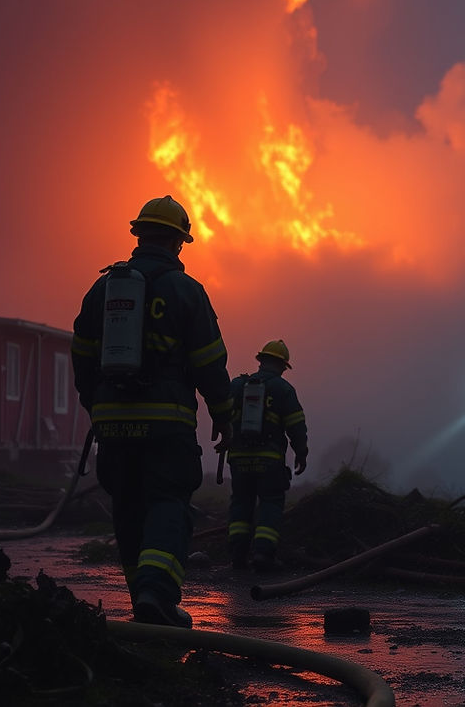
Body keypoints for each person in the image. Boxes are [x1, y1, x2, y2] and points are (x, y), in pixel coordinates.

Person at [71, 195, 233, 628]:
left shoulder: (102, 290)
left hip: (114, 425)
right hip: (167, 425)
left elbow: (82, 357)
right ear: (179, 243)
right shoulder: (186, 291)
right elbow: (209, 362)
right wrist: (224, 414)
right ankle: (155, 594)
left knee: (127, 506)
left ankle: (142, 597)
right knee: (167, 501)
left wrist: (97, 408)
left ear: (138, 235)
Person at [225, 339, 308, 571]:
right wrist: (301, 453)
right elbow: (296, 425)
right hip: (269, 460)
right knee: (271, 503)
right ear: (282, 366)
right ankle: (263, 555)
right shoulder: (284, 390)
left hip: (239, 459)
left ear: (261, 361)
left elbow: (222, 412)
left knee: (241, 502)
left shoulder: (238, 385)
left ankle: (237, 556)